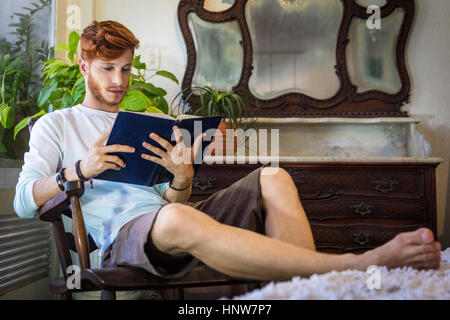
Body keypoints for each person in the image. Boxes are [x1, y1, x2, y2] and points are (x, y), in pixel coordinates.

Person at [14, 20, 441, 282]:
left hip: (172, 218)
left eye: (125, 68)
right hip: (123, 239)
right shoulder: (58, 124)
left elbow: (171, 201)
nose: (119, 79)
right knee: (178, 217)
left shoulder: (156, 123)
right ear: (85, 66)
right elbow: (22, 202)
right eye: (108, 68)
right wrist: (79, 171)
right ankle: (354, 265)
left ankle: (307, 287)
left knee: (272, 176)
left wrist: (182, 179)